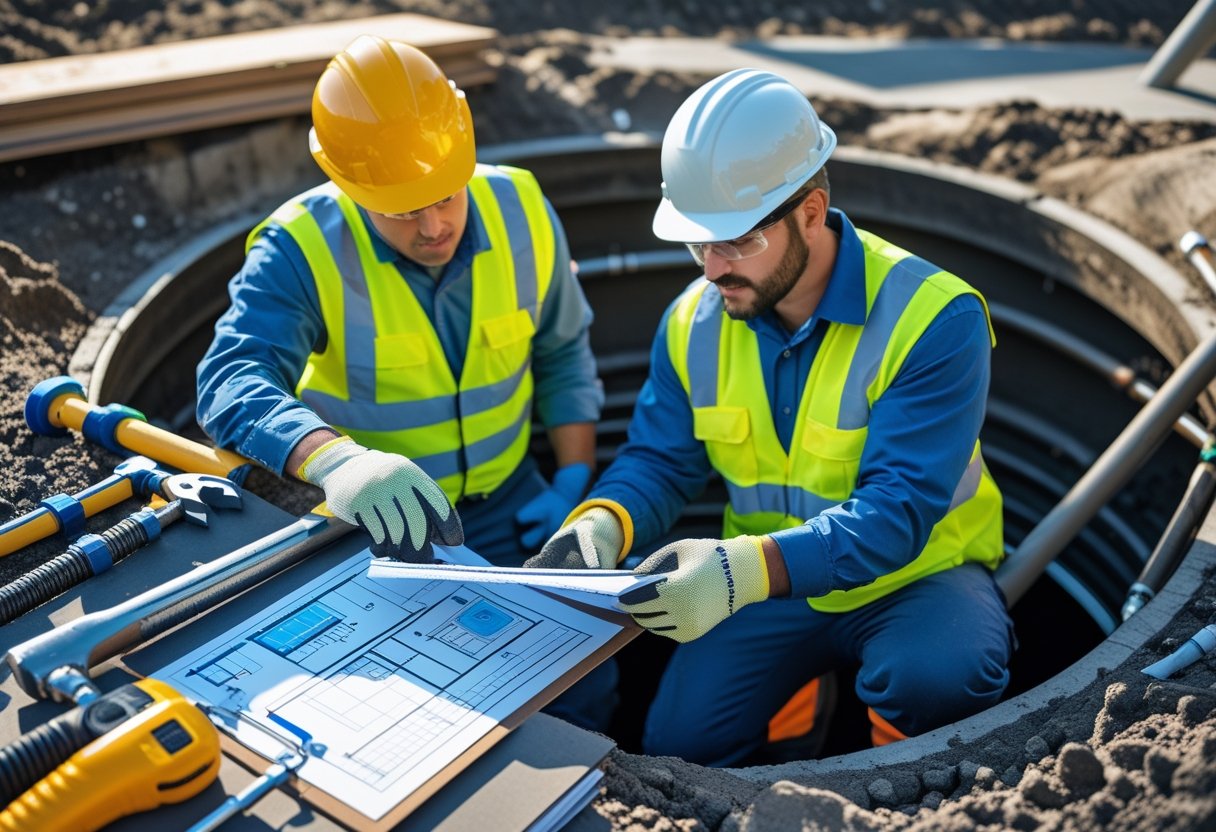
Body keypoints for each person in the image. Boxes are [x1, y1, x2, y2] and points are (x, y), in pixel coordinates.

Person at [527, 68, 1015, 764]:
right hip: (764, 578)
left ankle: (911, 789)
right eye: (698, 243)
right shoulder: (694, 322)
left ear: (811, 212)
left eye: (737, 242)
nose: (711, 269)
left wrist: (737, 574)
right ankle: (789, 755)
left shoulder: (934, 317)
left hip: (914, 578)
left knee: (939, 676)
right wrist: (602, 524)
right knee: (680, 746)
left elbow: (899, 511)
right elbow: (661, 461)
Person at [196, 35, 603, 570]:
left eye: (445, 196)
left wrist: (573, 478)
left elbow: (564, 350)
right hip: (379, 521)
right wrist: (337, 463)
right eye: (403, 211)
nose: (434, 228)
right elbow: (231, 378)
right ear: (351, 186)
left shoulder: (523, 209)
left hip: (515, 501)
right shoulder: (300, 248)